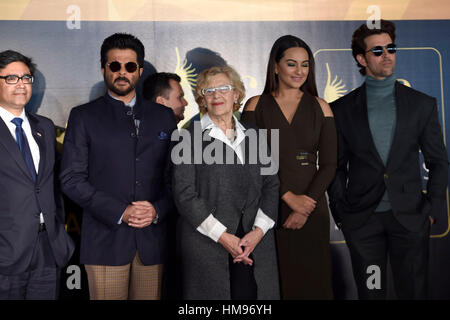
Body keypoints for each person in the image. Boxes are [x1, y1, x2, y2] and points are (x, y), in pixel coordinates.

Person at [327, 20, 448, 299]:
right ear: (362, 58)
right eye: (377, 50)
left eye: (391, 48)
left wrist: (432, 210)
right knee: (371, 294)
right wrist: (342, 213)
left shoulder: (421, 104)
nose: (387, 55)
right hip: (363, 222)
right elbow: (335, 166)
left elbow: (439, 161)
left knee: (414, 293)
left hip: (410, 219)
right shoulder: (341, 110)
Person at [60, 33, 177, 300]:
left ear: (140, 70)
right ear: (103, 69)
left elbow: (176, 178)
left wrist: (157, 210)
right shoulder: (83, 117)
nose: (122, 72)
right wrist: (120, 211)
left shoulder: (163, 117)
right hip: (105, 242)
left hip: (152, 242)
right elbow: (71, 179)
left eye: (130, 66)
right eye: (114, 66)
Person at [241, 35, 337, 299]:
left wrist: (306, 203)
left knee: (314, 283)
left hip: (312, 208)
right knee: (275, 284)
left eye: (305, 65)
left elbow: (329, 165)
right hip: (268, 208)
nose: (299, 71)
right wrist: (287, 196)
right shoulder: (255, 106)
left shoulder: (321, 107)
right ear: (275, 66)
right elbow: (250, 161)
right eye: (292, 64)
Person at [172, 65, 280, 299]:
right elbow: (184, 194)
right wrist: (222, 236)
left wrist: (259, 231)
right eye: (208, 91)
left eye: (223, 88)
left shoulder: (254, 134)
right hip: (208, 243)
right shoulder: (187, 138)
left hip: (255, 241)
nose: (216, 95)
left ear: (236, 94)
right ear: (202, 99)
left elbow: (272, 184)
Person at [0, 50, 74, 299]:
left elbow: (51, 186)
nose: (20, 84)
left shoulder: (44, 126)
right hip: (5, 254)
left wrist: (59, 234)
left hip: (47, 249)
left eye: (26, 78)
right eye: (11, 78)